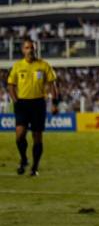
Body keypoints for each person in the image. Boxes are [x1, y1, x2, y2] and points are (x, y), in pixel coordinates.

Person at [7, 39, 58, 176]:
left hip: (38, 104)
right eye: (27, 48)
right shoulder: (17, 66)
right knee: (19, 135)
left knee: (37, 136)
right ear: (23, 50)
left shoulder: (43, 65)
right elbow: (10, 85)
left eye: (32, 48)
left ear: (35, 49)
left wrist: (54, 103)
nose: (30, 50)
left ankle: (34, 167)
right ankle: (24, 159)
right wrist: (16, 101)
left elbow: (52, 85)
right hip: (22, 104)